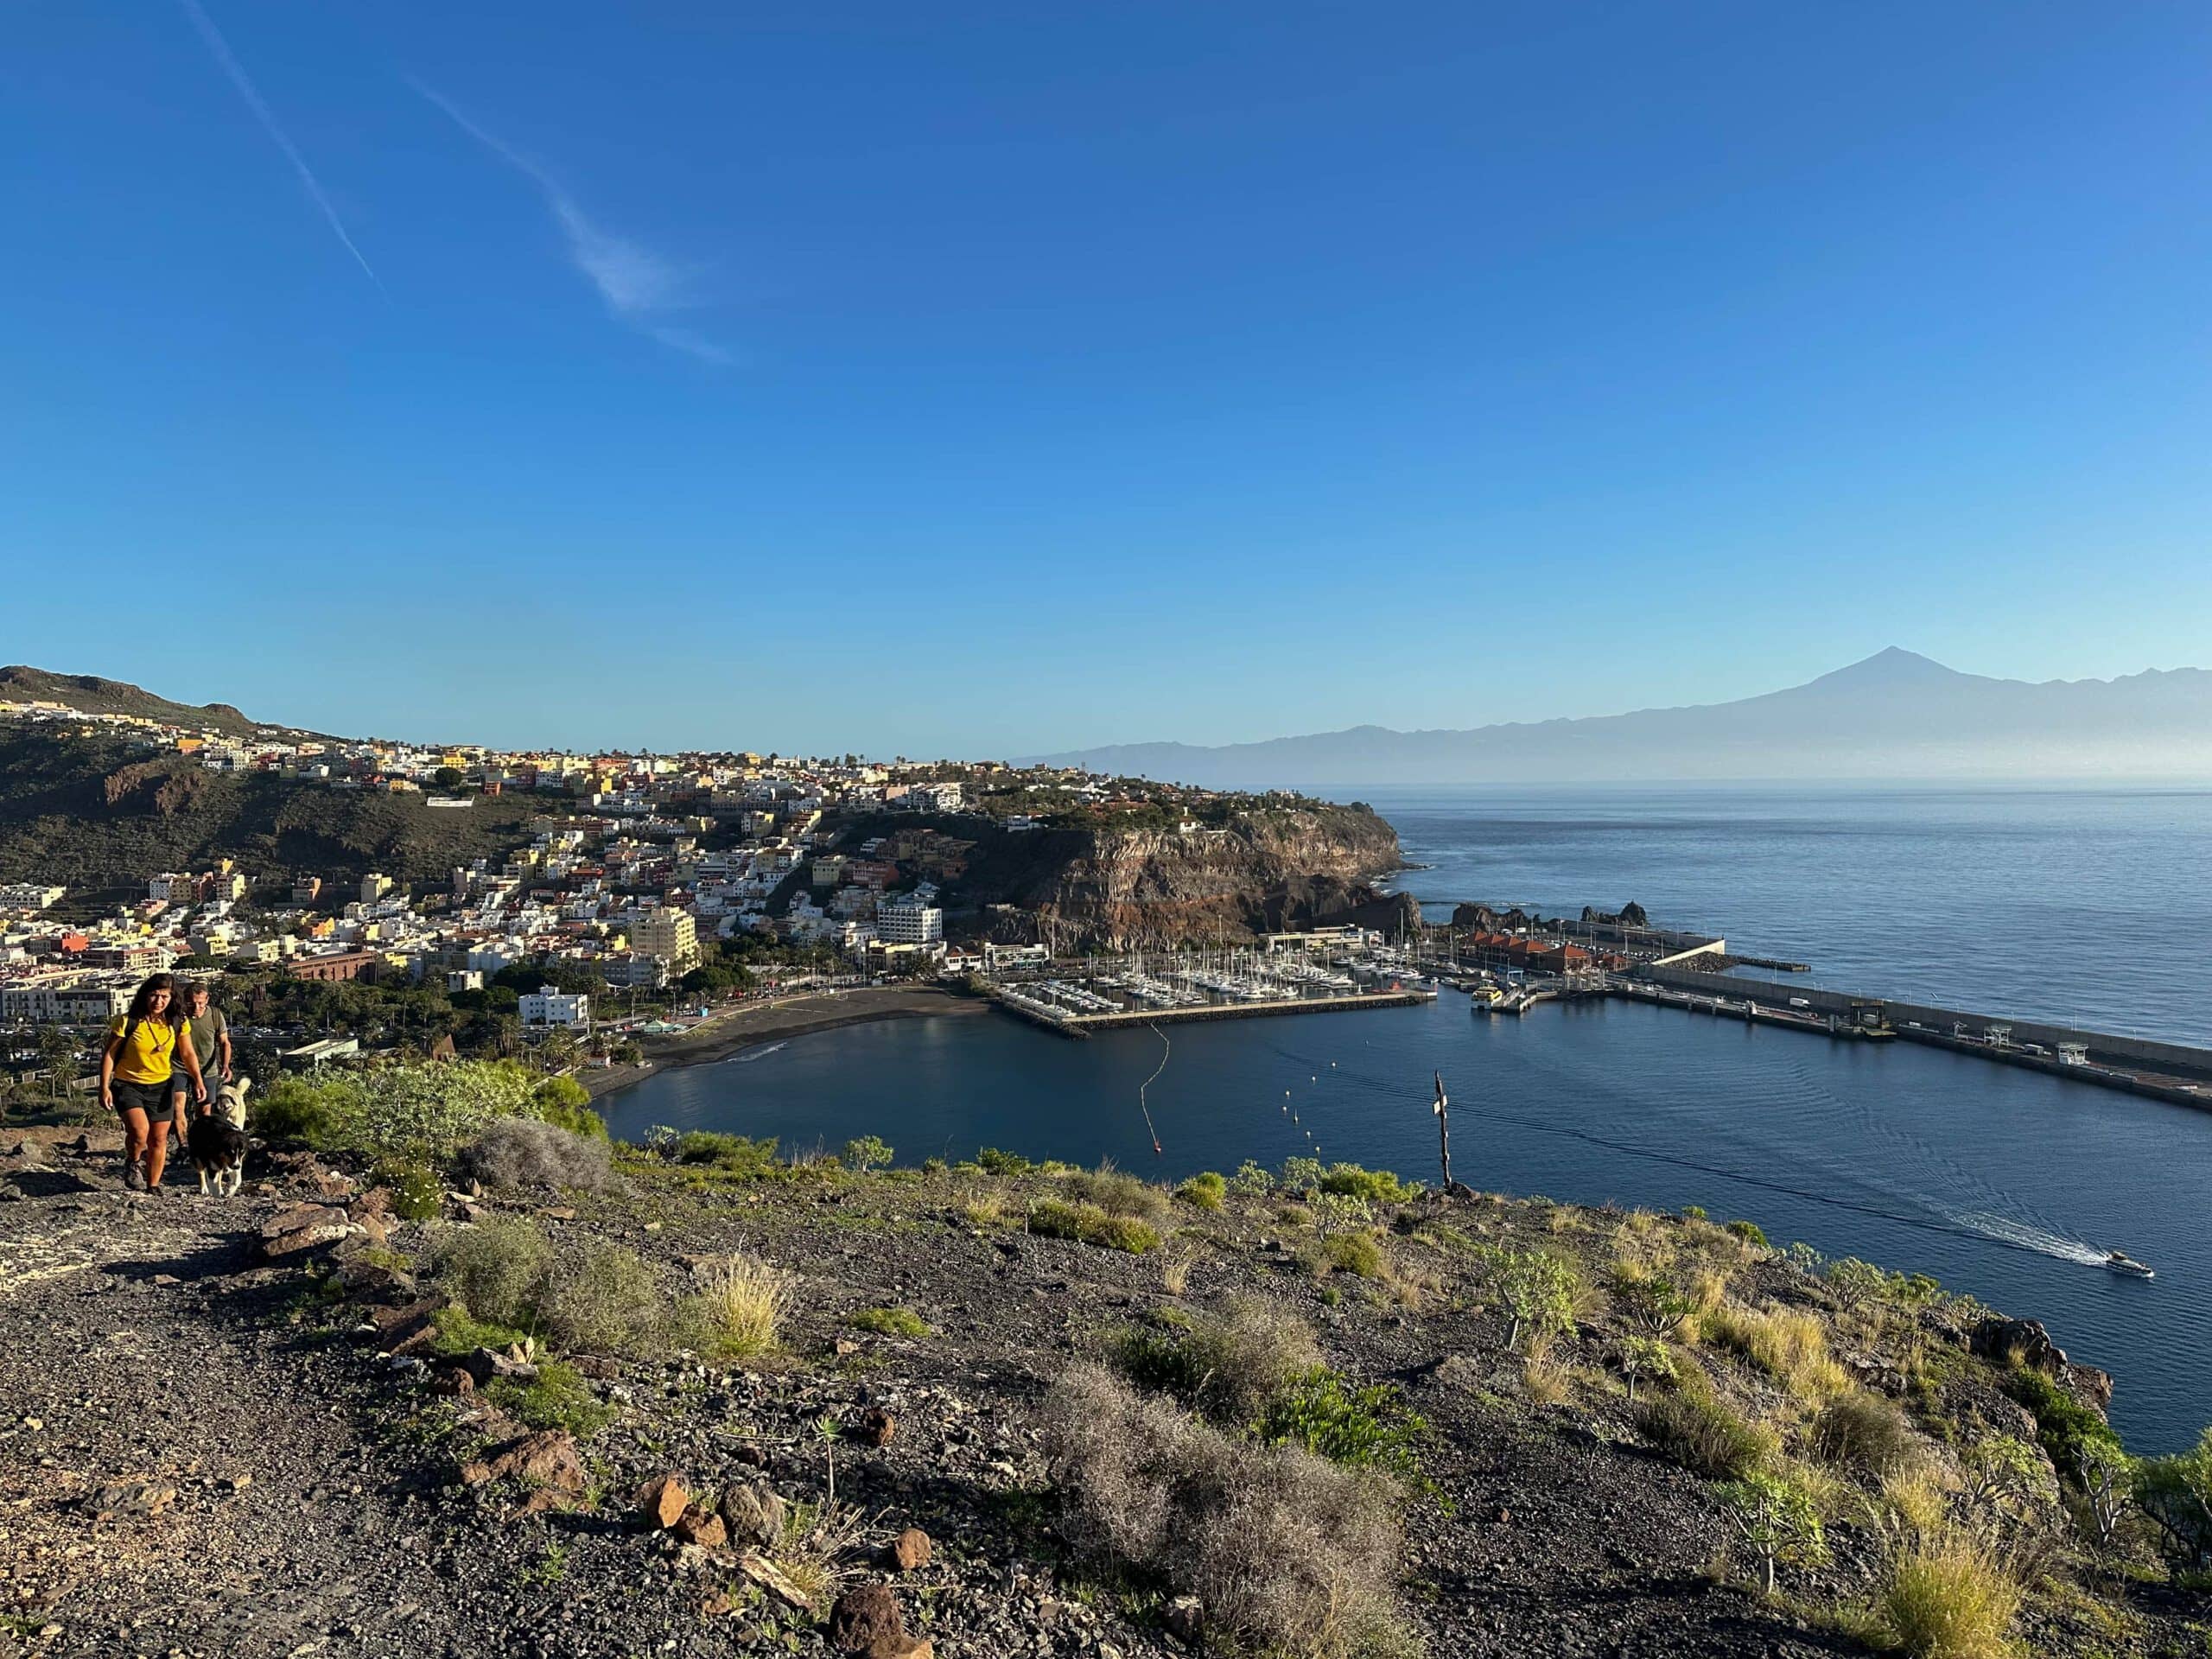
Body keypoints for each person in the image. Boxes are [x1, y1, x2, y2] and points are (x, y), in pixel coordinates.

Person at [99, 973, 207, 1195]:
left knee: (159, 1138)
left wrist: (198, 1080)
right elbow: (110, 1054)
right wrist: (104, 1086)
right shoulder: (128, 1021)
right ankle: (133, 1161)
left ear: (172, 998)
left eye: (164, 996)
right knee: (140, 1132)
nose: (159, 1001)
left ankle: (153, 1185)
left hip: (162, 1086)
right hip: (128, 1084)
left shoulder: (178, 1022)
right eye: (154, 995)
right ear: (145, 995)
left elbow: (187, 1053)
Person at [167, 980, 232, 1153]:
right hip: (179, 1067)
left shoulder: (215, 1016)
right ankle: (183, 1146)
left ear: (207, 1000)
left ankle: (201, 1144)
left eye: (200, 1003)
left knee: (204, 1110)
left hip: (206, 1069)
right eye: (192, 1003)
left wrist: (225, 1065)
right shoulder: (178, 1017)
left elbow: (224, 1042)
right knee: (178, 1107)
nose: (196, 1007)